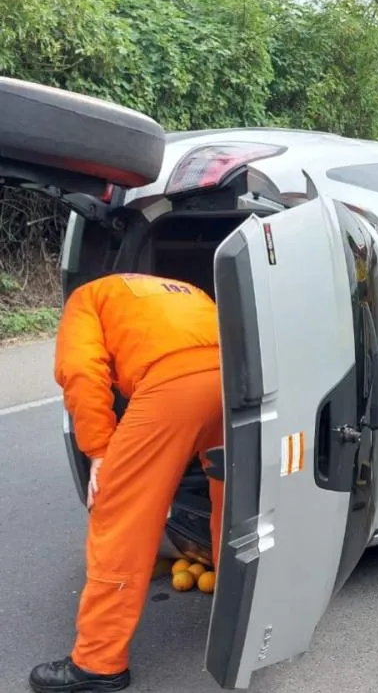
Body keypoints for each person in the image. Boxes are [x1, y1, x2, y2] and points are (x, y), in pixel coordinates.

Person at [30, 273, 224, 693]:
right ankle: (235, 594)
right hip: (234, 379)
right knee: (230, 493)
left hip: (174, 385)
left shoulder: (87, 298)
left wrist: (99, 450)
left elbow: (81, 370)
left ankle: (98, 663)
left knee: (119, 514)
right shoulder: (184, 289)